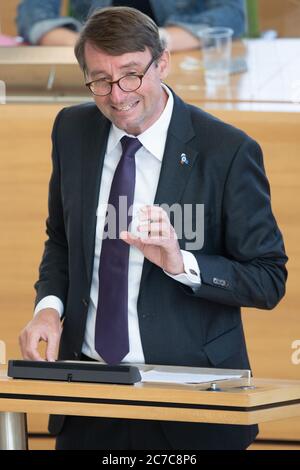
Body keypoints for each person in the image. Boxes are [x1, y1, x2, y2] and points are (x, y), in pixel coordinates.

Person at [19, 7, 287, 450]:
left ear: (162, 63)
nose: (117, 95)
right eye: (100, 80)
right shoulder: (72, 129)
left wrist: (181, 262)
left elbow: (268, 278)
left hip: (194, 402)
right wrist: (48, 307)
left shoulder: (228, 151)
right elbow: (62, 240)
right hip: (91, 398)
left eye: (130, 74)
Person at [16, 0, 246, 50]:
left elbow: (232, 14)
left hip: (176, 58)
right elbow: (31, 12)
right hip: (98, 63)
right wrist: (85, 44)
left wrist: (159, 41)